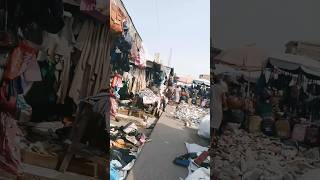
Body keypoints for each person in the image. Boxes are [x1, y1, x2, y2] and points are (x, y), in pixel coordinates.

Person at [211, 75, 228, 147]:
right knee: (215, 124)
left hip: (211, 106)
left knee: (211, 123)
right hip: (217, 107)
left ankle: (211, 139)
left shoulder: (212, 87)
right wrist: (226, 106)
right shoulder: (221, 88)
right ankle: (212, 140)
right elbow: (223, 99)